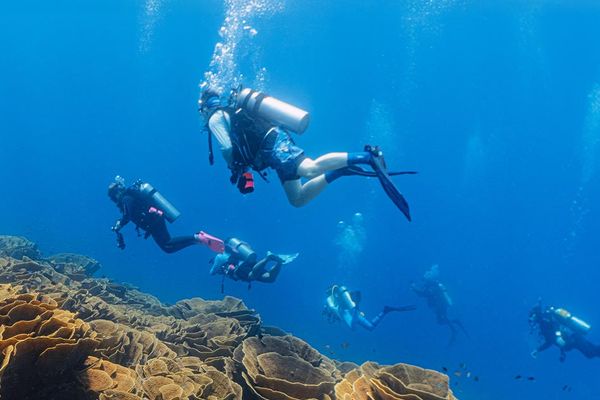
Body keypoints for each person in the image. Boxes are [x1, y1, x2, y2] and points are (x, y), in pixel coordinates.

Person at [198, 86, 414, 220]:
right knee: (297, 199)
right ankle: (340, 170)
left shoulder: (215, 117)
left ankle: (367, 156)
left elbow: (227, 148)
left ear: (204, 107)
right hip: (272, 149)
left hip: (272, 144)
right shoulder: (232, 112)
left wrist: (233, 166)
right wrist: (243, 168)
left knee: (309, 169)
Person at [108, 176, 224, 253]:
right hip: (155, 219)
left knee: (167, 244)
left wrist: (120, 224)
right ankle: (198, 240)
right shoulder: (129, 196)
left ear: (116, 194)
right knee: (168, 248)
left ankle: (197, 237)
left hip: (153, 221)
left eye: (114, 197)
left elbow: (128, 214)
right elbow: (130, 213)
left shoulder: (126, 198)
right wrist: (121, 221)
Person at [210, 237, 298, 288]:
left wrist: (217, 267)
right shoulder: (239, 249)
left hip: (239, 268)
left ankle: (268, 258)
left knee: (251, 276)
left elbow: (212, 272)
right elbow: (249, 248)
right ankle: (279, 262)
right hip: (250, 260)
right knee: (269, 278)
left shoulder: (219, 256)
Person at [411, 265, 468, 345]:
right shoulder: (430, 285)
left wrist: (414, 287)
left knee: (441, 320)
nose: (424, 280)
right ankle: (454, 327)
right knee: (442, 320)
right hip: (439, 305)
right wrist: (415, 289)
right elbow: (422, 293)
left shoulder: (433, 286)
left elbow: (424, 293)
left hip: (440, 306)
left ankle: (455, 325)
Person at [529, 301, 600, 362]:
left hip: (574, 338)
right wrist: (538, 350)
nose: (532, 320)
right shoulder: (543, 324)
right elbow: (550, 340)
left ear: (537, 315)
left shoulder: (545, 320)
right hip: (573, 340)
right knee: (592, 352)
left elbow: (555, 328)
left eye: (533, 317)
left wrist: (558, 336)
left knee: (590, 353)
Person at [323, 285, 416, 331]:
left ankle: (358, 309)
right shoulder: (340, 296)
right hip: (355, 310)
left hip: (348, 313)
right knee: (370, 327)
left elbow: (335, 310)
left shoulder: (330, 300)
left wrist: (337, 315)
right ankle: (385, 311)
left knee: (352, 327)